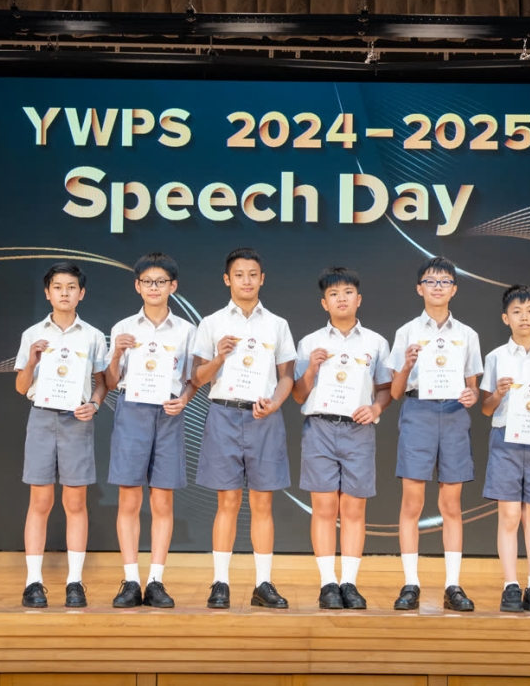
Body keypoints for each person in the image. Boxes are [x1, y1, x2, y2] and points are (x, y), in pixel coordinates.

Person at [192, 247, 296, 609]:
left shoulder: (277, 324)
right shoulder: (212, 323)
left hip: (264, 417)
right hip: (223, 414)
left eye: (253, 274)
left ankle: (263, 583)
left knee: (263, 502)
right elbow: (197, 376)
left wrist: (276, 402)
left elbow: (287, 376)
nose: (246, 281)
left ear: (262, 279)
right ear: (227, 279)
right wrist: (219, 357)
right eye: (239, 275)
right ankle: (220, 582)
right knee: (228, 501)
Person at [386, 256, 483, 612]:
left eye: (444, 282)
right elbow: (395, 391)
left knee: (451, 504)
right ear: (419, 288)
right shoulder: (407, 332)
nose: (437, 287)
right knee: (412, 503)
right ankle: (410, 583)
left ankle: (452, 585)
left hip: (454, 414)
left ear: (454, 289)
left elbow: (473, 388)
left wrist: (472, 396)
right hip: (418, 411)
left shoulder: (467, 335)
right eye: (431, 281)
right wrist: (407, 365)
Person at [292, 267, 393, 610]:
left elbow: (385, 389)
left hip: (358, 430)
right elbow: (297, 394)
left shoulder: (375, 342)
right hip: (319, 428)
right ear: (324, 303)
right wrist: (310, 368)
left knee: (354, 509)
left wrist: (376, 408)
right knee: (323, 508)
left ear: (358, 298)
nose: (341, 299)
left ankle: (349, 582)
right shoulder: (310, 343)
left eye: (348, 292)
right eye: (333, 294)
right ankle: (327, 584)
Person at [104, 253, 197, 608]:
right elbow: (110, 382)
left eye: (160, 282)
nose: (153, 287)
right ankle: (130, 580)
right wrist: (116, 354)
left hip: (168, 412)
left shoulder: (187, 331)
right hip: (132, 410)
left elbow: (193, 379)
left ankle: (156, 580)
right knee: (129, 497)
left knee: (162, 499)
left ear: (173, 286)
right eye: (147, 281)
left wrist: (184, 399)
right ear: (137, 286)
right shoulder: (123, 327)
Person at [14, 262, 107, 609]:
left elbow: (102, 384)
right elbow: (21, 387)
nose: (64, 293)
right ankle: (33, 582)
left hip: (76, 420)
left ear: (81, 293)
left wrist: (94, 405)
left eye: (71, 287)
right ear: (47, 293)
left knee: (75, 503)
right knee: (40, 502)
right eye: (57, 287)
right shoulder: (32, 334)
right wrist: (32, 361)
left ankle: (74, 583)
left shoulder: (93, 336)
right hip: (41, 417)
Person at [479, 285, 530, 613]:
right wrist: (498, 394)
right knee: (510, 515)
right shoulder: (496, 357)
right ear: (506, 318)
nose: (523, 317)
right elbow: (486, 408)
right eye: (516, 312)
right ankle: (510, 585)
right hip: (506, 442)